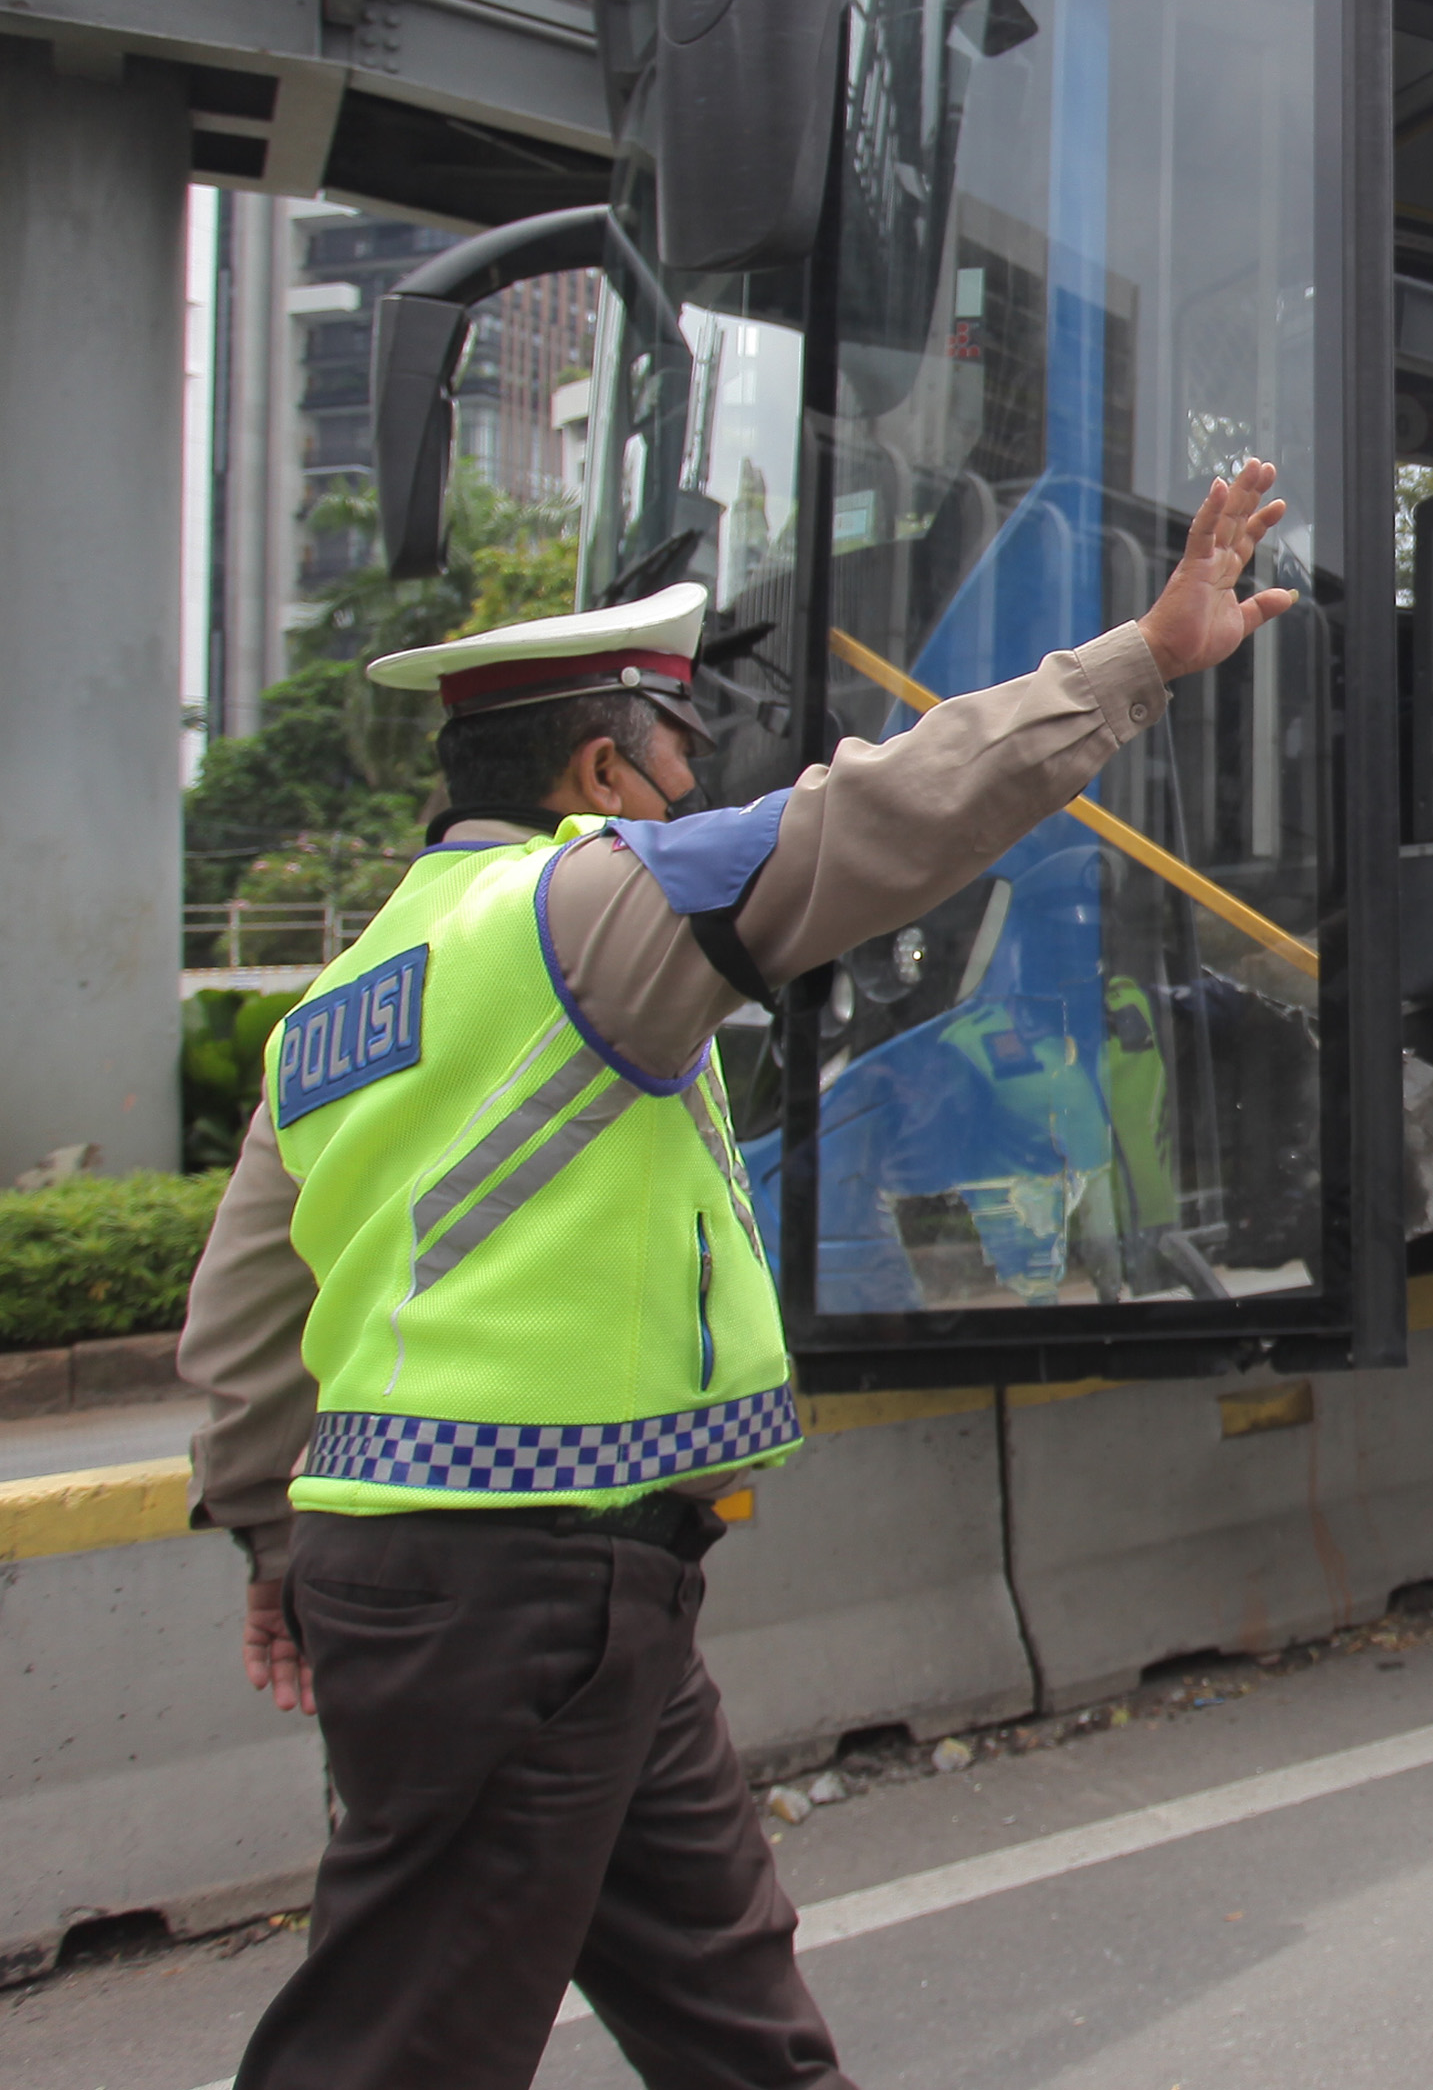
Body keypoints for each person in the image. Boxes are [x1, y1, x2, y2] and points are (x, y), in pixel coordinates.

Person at [177, 461, 1297, 2090]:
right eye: (680, 747)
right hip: (526, 1585)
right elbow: (883, 814)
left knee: (731, 2013)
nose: (699, 776)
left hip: (523, 1584)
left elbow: (245, 1319)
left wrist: (276, 1543)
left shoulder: (346, 995)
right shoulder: (587, 906)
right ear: (598, 763)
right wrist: (1138, 660)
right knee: (396, 2043)